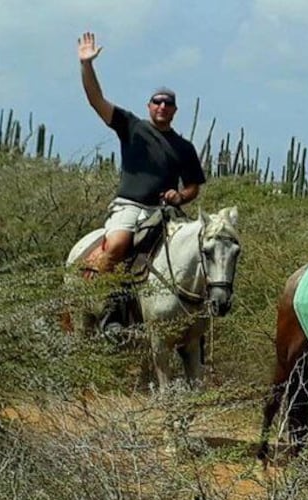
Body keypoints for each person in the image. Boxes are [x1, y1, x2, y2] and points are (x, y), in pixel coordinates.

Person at [77, 31, 206, 334]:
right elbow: (96, 100)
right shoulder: (132, 127)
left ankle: (194, 319)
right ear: (149, 106)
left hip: (164, 212)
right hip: (131, 207)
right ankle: (109, 312)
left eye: (168, 103)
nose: (162, 106)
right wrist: (87, 66)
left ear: (174, 110)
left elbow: (193, 187)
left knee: (199, 250)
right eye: (157, 101)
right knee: (120, 244)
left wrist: (180, 196)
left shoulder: (184, 147)